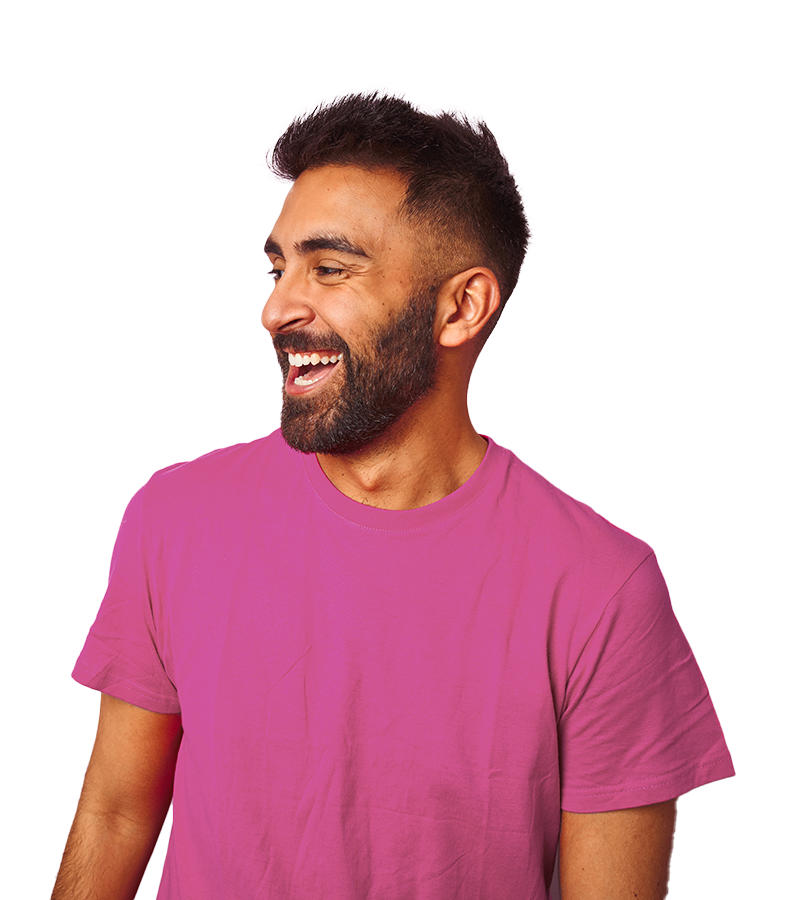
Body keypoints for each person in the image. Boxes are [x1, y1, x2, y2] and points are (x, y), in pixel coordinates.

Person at [54, 84, 735, 900]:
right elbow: (116, 817)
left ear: (461, 307)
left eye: (330, 269)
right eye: (279, 267)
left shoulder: (602, 590)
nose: (276, 308)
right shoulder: (175, 518)